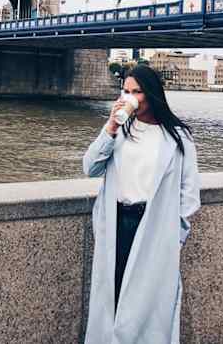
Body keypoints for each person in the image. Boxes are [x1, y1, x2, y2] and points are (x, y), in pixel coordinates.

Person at [82, 64, 201, 344]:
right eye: (125, 90)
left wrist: (175, 236)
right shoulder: (120, 130)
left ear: (152, 95)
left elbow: (189, 192)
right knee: (113, 296)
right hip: (117, 224)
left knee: (147, 308)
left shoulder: (179, 138)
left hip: (155, 229)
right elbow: (90, 168)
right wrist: (110, 127)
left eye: (137, 91)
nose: (130, 96)